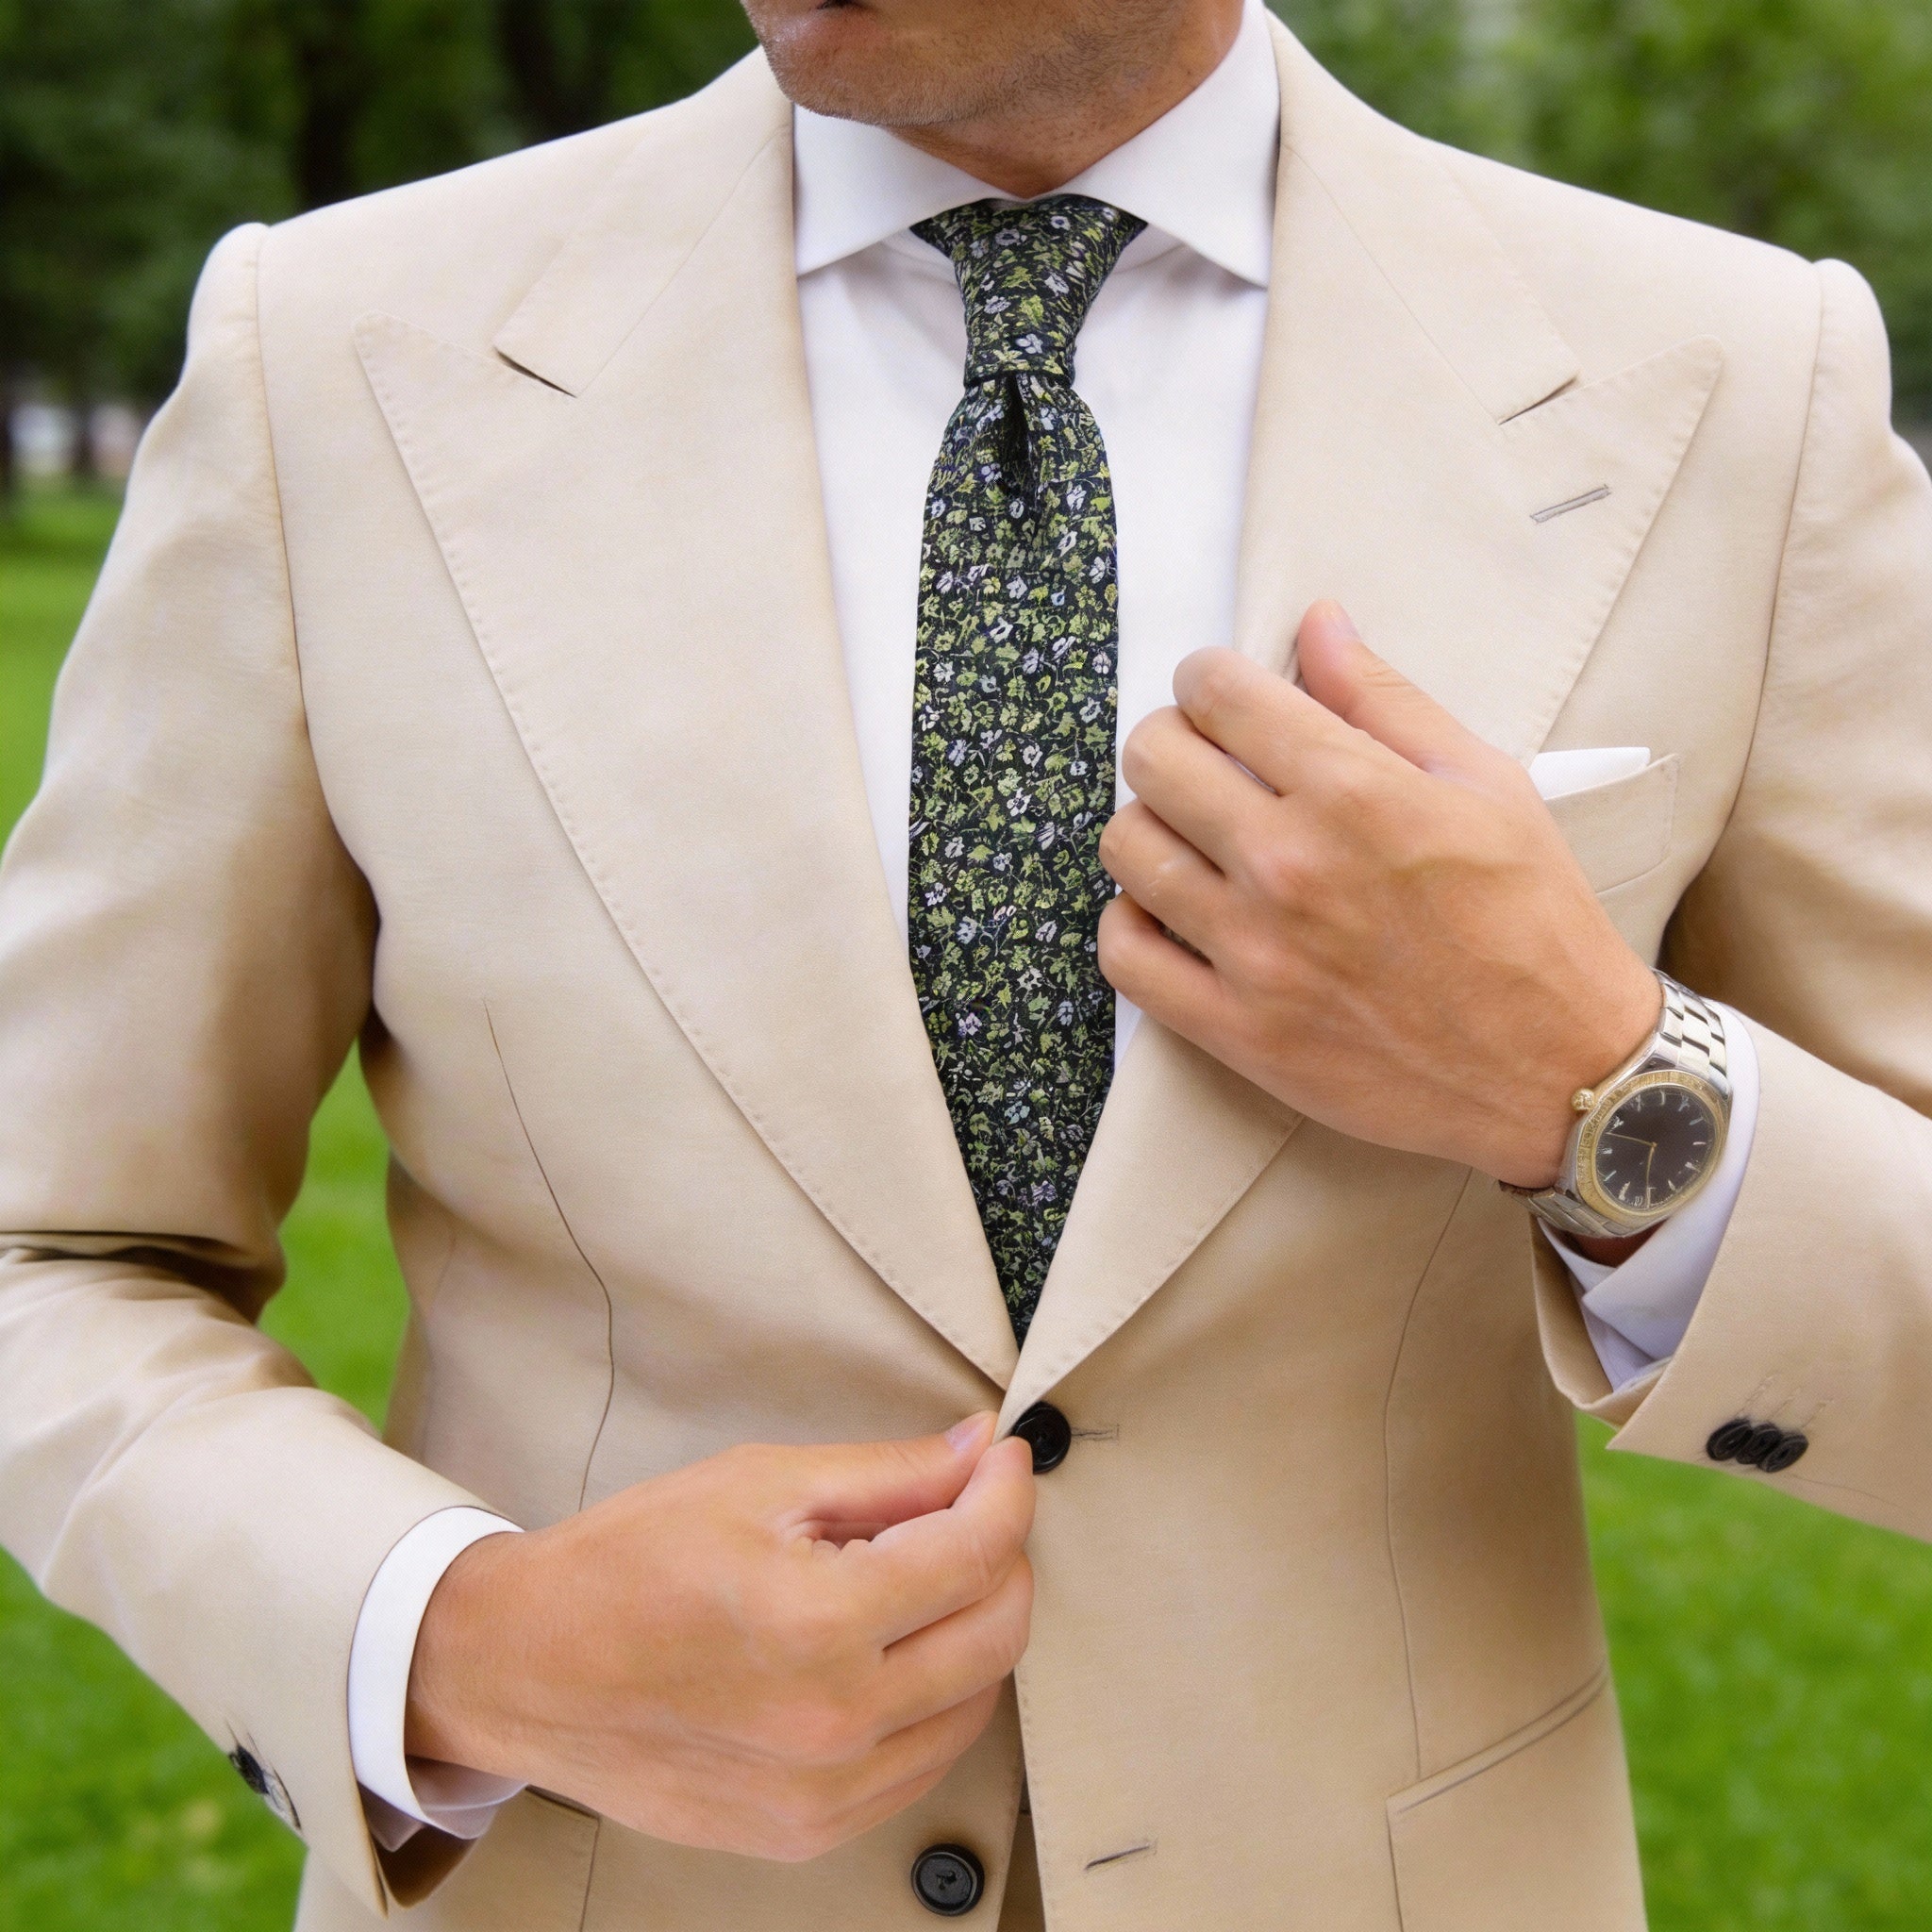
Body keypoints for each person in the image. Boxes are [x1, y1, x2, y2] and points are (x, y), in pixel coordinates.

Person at [2, 0, 1929, 1924]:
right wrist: (454, 1637)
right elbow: (51, 1245)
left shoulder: (1735, 386)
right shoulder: (331, 360)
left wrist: (1596, 1086)